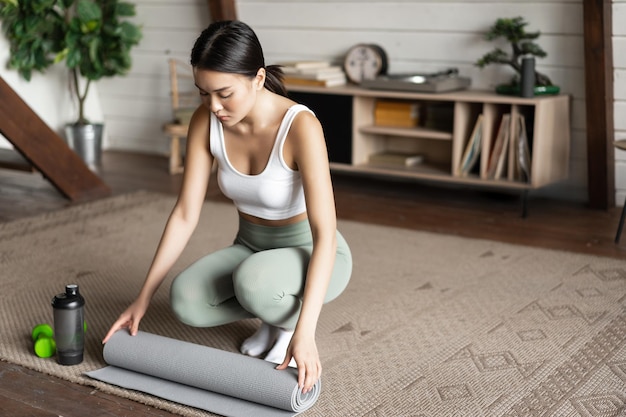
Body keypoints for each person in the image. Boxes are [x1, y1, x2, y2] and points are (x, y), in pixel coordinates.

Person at [102, 20, 352, 394]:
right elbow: (186, 213)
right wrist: (143, 297)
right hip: (251, 246)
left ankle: (284, 322)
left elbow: (325, 236)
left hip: (311, 250)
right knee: (185, 300)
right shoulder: (206, 120)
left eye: (224, 93)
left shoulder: (300, 127)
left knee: (254, 282)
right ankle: (270, 312)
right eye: (203, 93)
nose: (213, 106)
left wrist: (306, 332)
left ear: (258, 78)